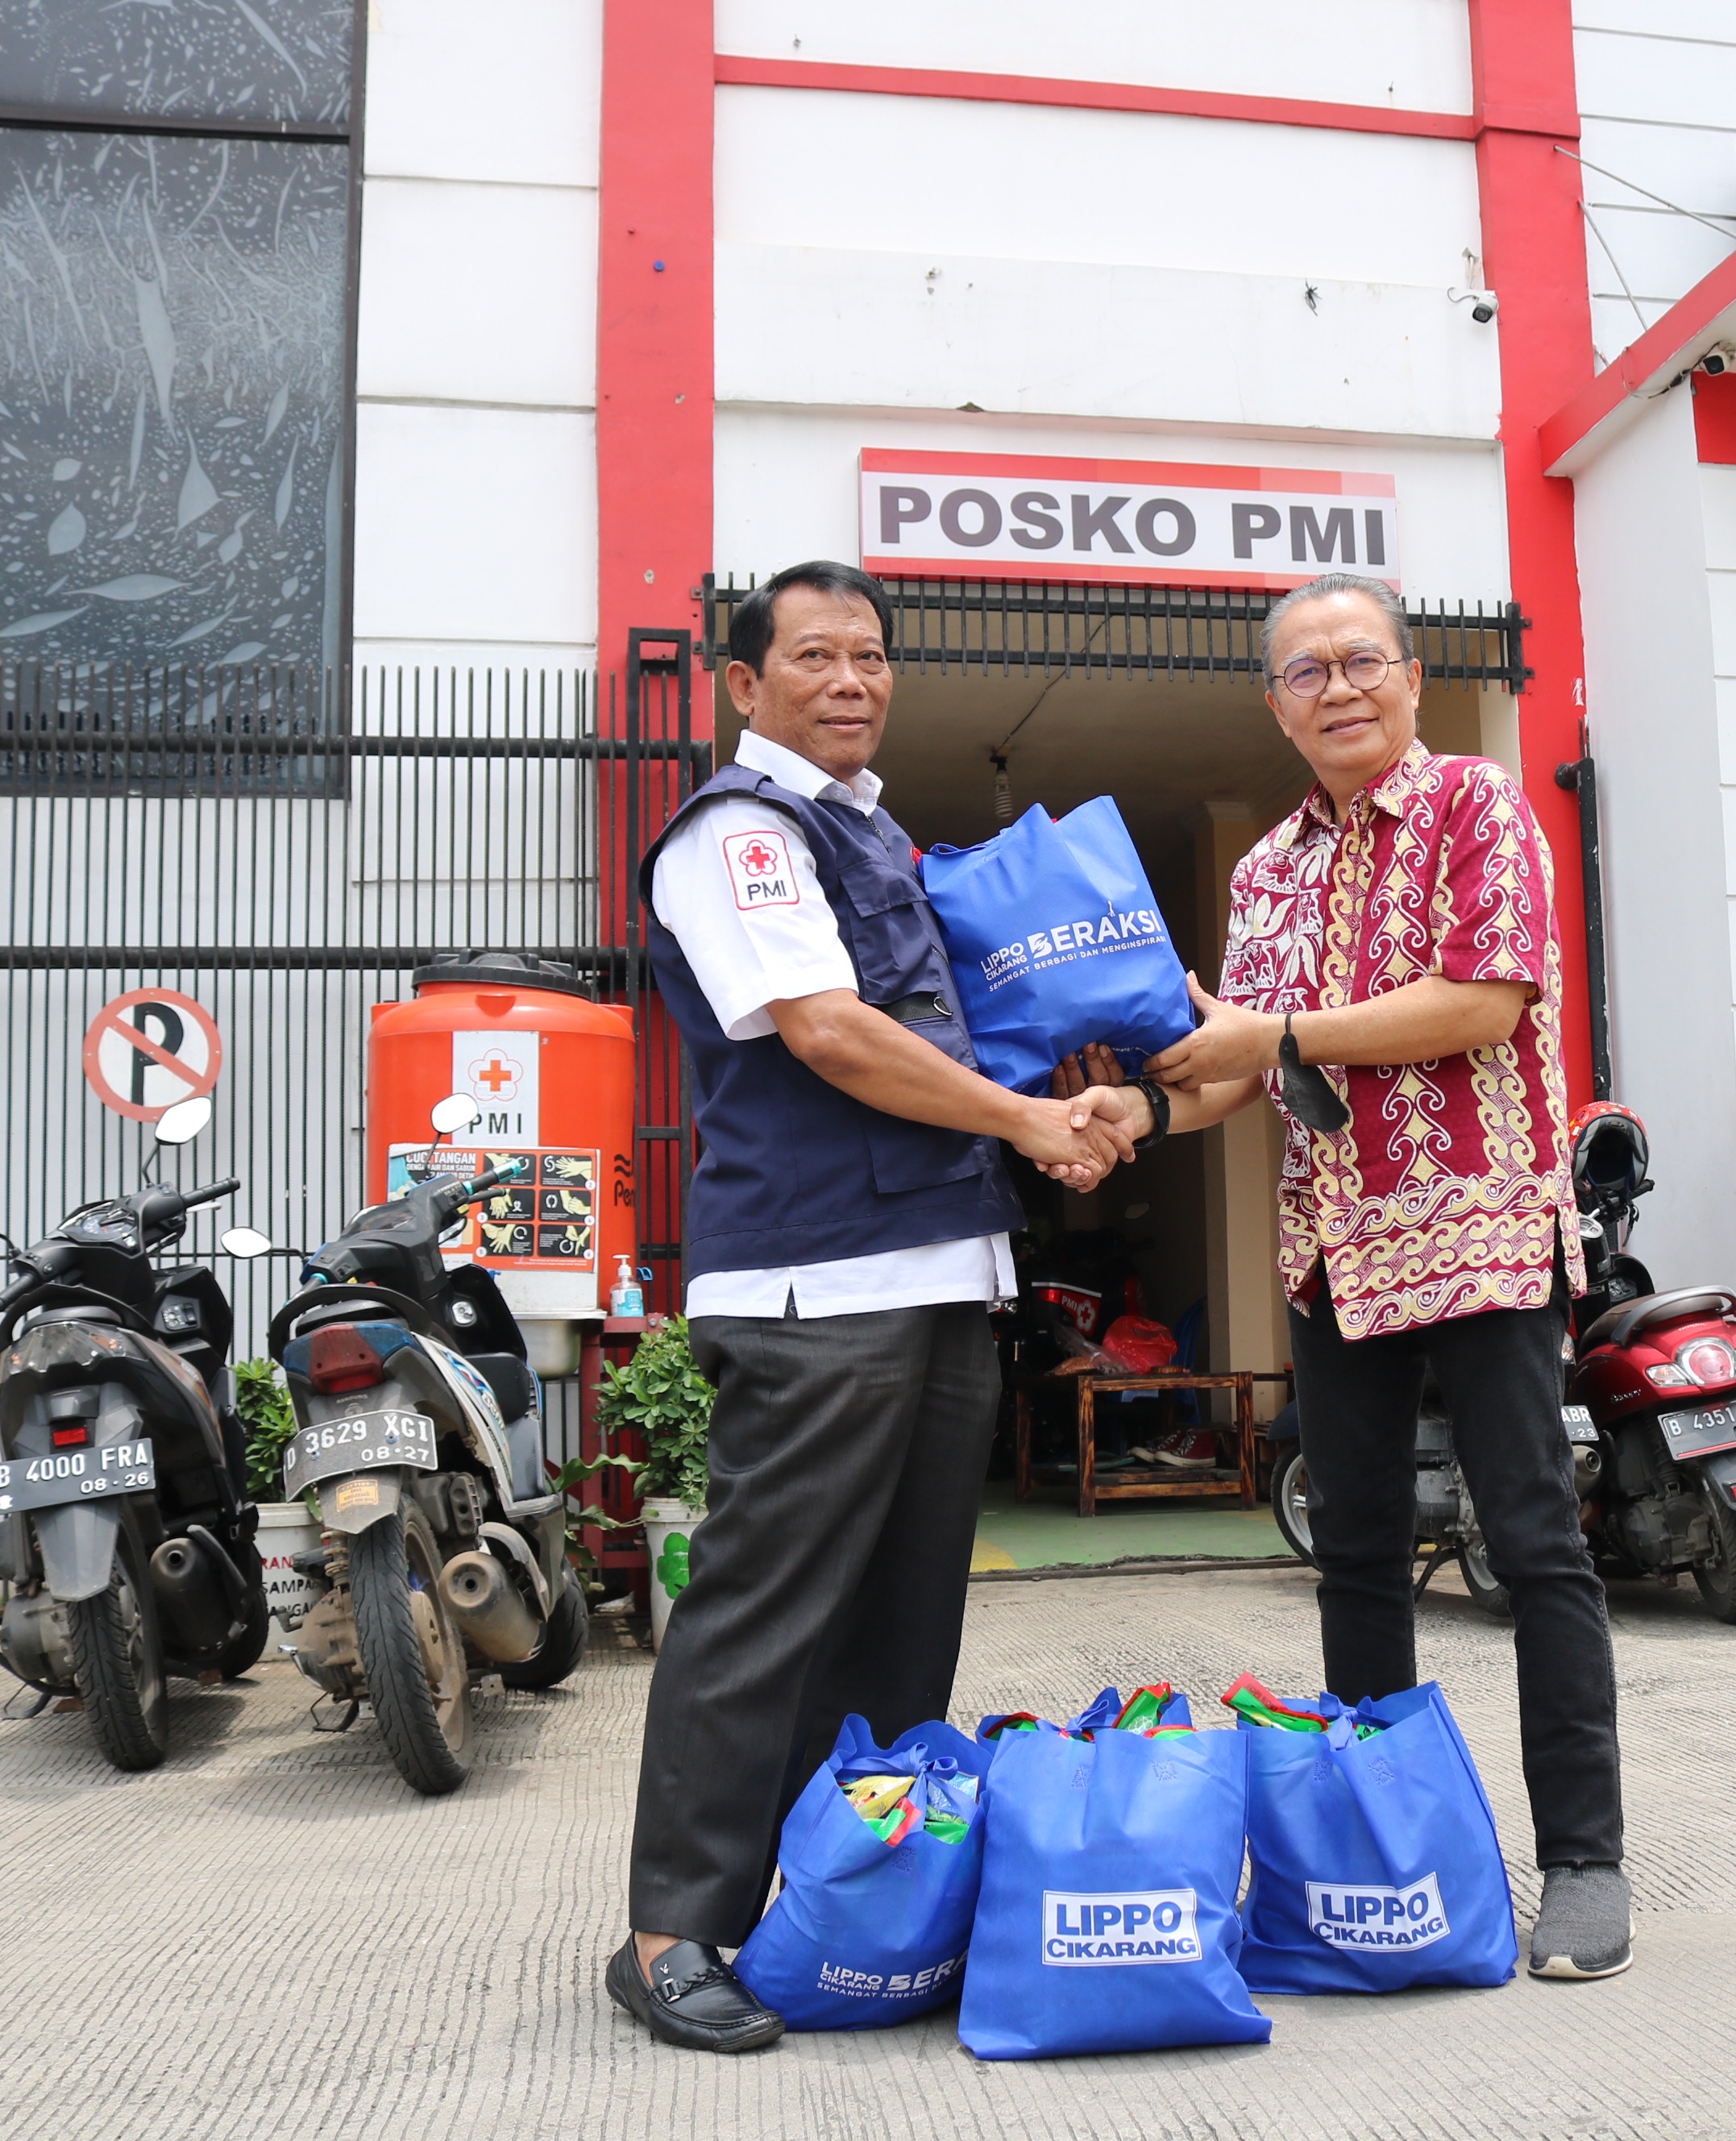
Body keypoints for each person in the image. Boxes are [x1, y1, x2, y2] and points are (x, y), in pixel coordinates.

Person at [1076, 569, 1632, 1981]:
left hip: (1484, 1223)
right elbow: (1242, 1068)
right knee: (1357, 1561)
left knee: (1535, 1544)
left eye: (1360, 661)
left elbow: (1480, 1004)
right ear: (1276, 706)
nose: (1338, 688)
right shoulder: (1266, 869)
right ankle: (1389, 1855)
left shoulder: (1479, 806)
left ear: (1412, 677)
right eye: (1307, 672)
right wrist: (1134, 1113)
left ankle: (1583, 1865)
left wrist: (1269, 1037)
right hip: (1334, 1249)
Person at [610, 560, 1130, 2054]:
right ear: (745, 683)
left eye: (873, 655)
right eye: (818, 656)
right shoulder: (742, 837)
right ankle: (672, 1935)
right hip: (814, 1287)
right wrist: (1032, 1129)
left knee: (902, 1631)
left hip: (939, 1275)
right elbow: (831, 1034)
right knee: (765, 1616)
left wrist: (1071, 1102)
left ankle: (855, 1911)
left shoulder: (879, 836)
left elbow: (946, 1031)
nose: (852, 679)